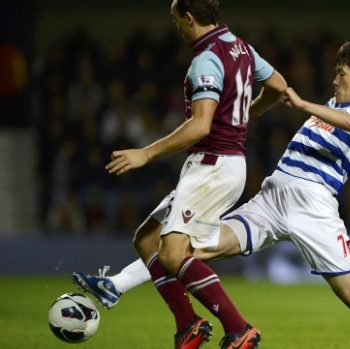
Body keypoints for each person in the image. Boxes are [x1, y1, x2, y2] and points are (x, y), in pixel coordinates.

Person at [75, 35, 350, 348]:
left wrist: (305, 105)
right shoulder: (346, 104)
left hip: (313, 205)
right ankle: (115, 285)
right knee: (187, 249)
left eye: (342, 74)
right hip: (272, 196)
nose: (335, 79)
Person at [74, 0, 287, 348]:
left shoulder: (206, 58)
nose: (176, 27)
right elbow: (279, 85)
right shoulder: (241, 46)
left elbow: (200, 125)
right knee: (147, 239)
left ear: (188, 18)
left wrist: (146, 153)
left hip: (212, 165)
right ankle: (187, 325)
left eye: (176, 20)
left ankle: (239, 329)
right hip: (226, 163)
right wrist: (245, 113)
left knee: (174, 254)